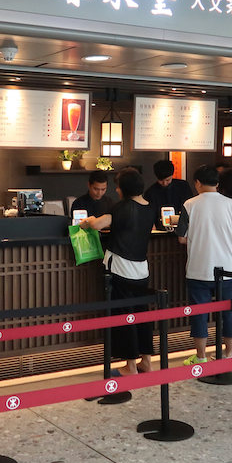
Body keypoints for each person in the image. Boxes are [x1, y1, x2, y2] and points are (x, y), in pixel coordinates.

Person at [80, 168, 156, 375]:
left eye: (118, 186)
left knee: (125, 315)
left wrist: (87, 221)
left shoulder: (123, 207)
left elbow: (97, 224)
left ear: (124, 188)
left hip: (121, 268)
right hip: (141, 270)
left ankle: (130, 365)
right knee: (141, 313)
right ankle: (146, 361)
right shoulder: (150, 207)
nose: (116, 189)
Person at [176, 165, 232, 365]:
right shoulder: (231, 205)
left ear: (197, 183)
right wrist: (225, 244)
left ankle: (200, 357)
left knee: (199, 313)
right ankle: (229, 355)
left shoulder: (189, 204)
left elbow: (181, 238)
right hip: (228, 269)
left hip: (198, 269)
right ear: (217, 184)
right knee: (228, 312)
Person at [143, 159, 194, 227]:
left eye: (167, 180)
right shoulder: (150, 192)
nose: (164, 183)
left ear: (172, 175)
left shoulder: (183, 186)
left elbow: (190, 205)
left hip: (182, 226)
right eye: (161, 180)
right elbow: (149, 214)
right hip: (160, 228)